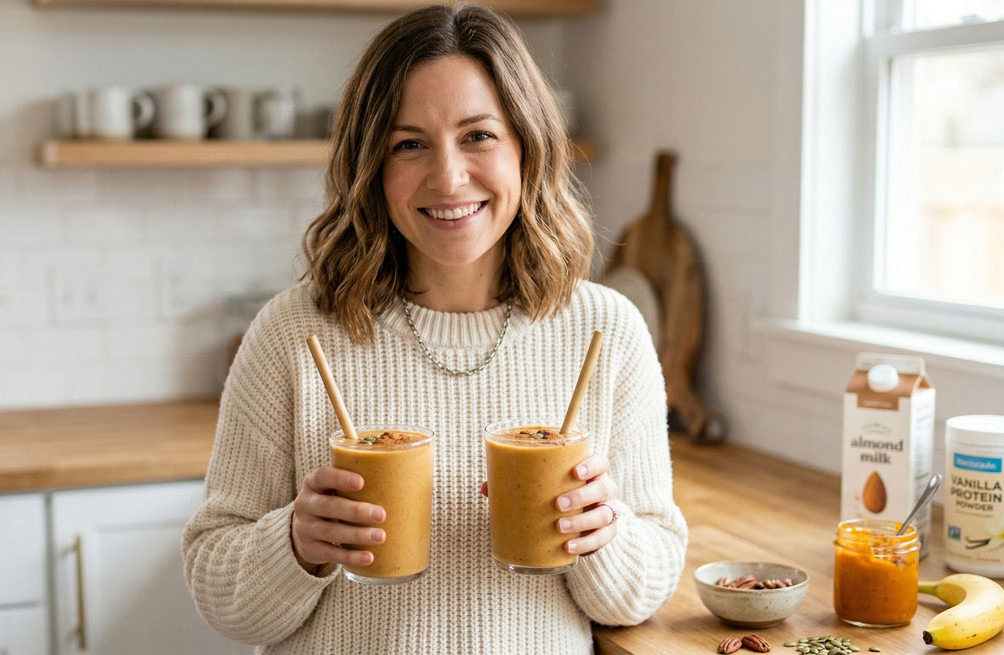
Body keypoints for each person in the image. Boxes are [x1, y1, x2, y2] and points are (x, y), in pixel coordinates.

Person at [181, 4, 687, 653]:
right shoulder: (292, 334)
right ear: (372, 165)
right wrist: (295, 545)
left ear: (526, 146)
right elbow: (217, 588)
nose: (448, 177)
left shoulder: (606, 331)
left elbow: (642, 589)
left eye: (478, 135)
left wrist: (602, 533)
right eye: (409, 143)